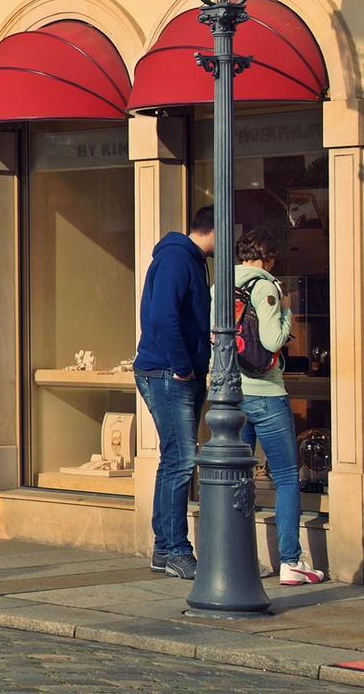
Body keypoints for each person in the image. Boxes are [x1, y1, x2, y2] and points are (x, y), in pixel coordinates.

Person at [213, 229, 325, 585]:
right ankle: (291, 562)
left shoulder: (219, 286)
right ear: (270, 258)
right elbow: (273, 340)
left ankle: (242, 557)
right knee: (287, 477)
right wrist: (288, 312)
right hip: (265, 392)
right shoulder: (265, 287)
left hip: (231, 395)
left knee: (237, 476)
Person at [134, 204, 216, 580]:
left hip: (175, 372)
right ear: (213, 230)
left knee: (174, 460)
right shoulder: (176, 259)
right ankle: (176, 550)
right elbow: (162, 317)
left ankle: (164, 548)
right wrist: (183, 367)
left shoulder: (191, 260)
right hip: (168, 374)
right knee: (182, 460)